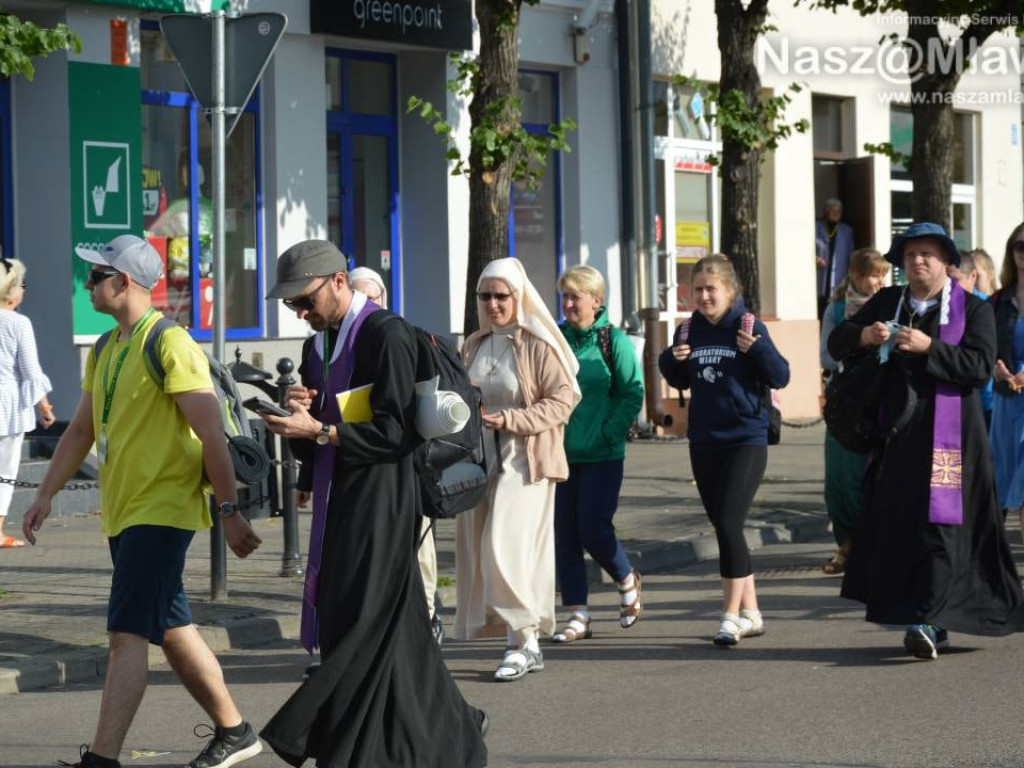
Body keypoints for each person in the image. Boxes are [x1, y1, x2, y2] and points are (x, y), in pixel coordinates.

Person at [21, 235, 264, 768]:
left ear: (122, 282)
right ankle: (236, 731)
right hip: (125, 513)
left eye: (94, 277)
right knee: (172, 629)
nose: (86, 285)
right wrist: (44, 493)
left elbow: (212, 435)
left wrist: (229, 512)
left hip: (164, 512)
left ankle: (102, 759)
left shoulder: (170, 343)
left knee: (125, 634)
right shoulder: (107, 347)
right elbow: (81, 429)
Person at [258, 240, 487, 768]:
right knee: (391, 629)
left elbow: (396, 431)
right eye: (292, 305)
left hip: (384, 498)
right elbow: (320, 433)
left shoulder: (387, 333)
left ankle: (320, 739)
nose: (300, 312)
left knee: (363, 622)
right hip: (341, 498)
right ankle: (451, 733)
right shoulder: (321, 343)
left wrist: (321, 430)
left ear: (338, 281)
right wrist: (299, 417)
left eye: (305, 300)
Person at [828, 222, 1024, 660]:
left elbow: (976, 368)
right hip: (897, 435)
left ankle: (928, 620)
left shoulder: (974, 310)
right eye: (911, 254)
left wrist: (927, 347)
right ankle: (925, 614)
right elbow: (837, 342)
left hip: (952, 441)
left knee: (942, 527)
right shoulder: (886, 302)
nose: (918, 261)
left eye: (928, 254)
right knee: (903, 528)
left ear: (947, 261)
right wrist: (863, 334)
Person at [454, 257, 578, 681]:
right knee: (480, 544)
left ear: (518, 297)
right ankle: (525, 642)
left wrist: (510, 420)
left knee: (504, 542)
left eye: (500, 296)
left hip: (525, 457)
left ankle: (522, 641)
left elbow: (563, 400)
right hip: (478, 456)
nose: (492, 304)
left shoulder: (537, 343)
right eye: (485, 296)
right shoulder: (472, 344)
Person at [659, 254, 790, 646]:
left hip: (746, 439)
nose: (703, 296)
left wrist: (757, 350)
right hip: (704, 440)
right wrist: (671, 359)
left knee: (730, 523)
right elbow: (679, 376)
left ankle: (730, 616)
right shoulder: (689, 330)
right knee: (724, 526)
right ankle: (751, 612)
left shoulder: (747, 326)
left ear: (730, 290)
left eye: (711, 289)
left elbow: (781, 374)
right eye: (697, 289)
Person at [349, 265, 443, 645]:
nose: (367, 306)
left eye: (373, 298)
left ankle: (429, 619)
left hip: (407, 462)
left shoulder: (401, 336)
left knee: (417, 546)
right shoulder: (337, 344)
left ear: (384, 299)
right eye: (361, 299)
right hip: (358, 464)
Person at [551, 265, 645, 643]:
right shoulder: (556, 338)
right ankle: (578, 615)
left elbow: (632, 391)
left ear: (596, 300)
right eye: (565, 296)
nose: (569, 304)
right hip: (560, 453)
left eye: (576, 296)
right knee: (565, 536)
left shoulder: (612, 340)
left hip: (603, 454)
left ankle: (626, 577)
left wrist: (611, 430)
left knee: (593, 529)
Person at [818, 248, 889, 574]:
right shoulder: (837, 309)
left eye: (882, 275)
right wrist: (860, 342)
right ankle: (846, 542)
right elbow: (827, 357)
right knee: (839, 480)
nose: (878, 282)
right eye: (873, 274)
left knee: (870, 477)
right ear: (857, 276)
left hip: (877, 400)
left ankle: (863, 547)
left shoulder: (891, 307)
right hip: (844, 400)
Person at [0, 259, 55, 547]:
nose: (24, 290)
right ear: (11, 290)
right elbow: (30, 371)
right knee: (6, 470)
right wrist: (44, 407)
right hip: (7, 407)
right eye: (22, 284)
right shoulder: (19, 323)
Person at [988, 223, 1024, 532]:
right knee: (1002, 486)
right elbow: (980, 350)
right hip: (1007, 403)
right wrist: (993, 368)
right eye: (1020, 246)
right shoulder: (997, 302)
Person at [948, 250, 994, 430]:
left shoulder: (989, 306)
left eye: (956, 280)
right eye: (946, 280)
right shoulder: (940, 307)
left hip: (985, 401)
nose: (950, 287)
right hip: (952, 400)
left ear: (972, 276)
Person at [815, 198, 855, 320]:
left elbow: (851, 254)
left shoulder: (847, 230)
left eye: (839, 211)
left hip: (839, 276)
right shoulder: (816, 227)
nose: (836, 213)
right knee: (820, 306)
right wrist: (814, 258)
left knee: (835, 307)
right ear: (826, 211)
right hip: (820, 275)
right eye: (833, 210)